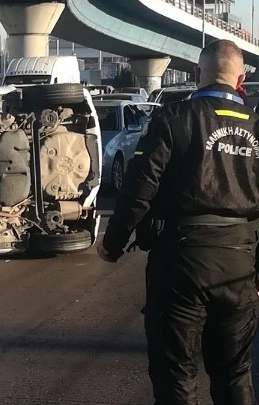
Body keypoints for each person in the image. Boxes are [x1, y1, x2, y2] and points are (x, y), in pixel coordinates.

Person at [97, 39, 259, 404]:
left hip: (181, 261)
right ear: (240, 79)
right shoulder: (256, 127)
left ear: (198, 74)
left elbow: (140, 188)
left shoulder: (173, 118)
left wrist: (113, 243)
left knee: (176, 375)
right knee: (234, 372)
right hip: (239, 261)